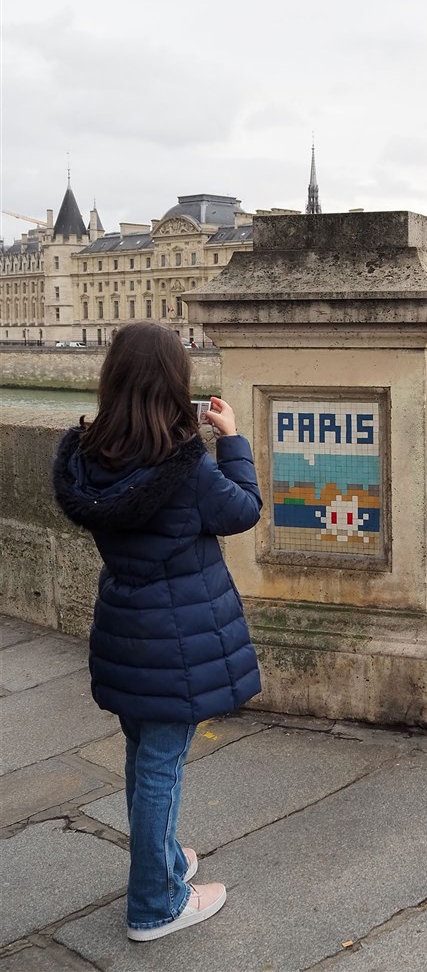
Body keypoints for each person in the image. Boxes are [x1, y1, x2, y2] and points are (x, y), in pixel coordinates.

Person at [51, 321, 262, 942]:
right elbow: (244, 509)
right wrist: (233, 440)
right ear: (175, 382)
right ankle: (156, 903)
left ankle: (162, 860)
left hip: (123, 626)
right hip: (177, 640)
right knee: (161, 766)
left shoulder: (89, 456)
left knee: (143, 755)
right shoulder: (185, 467)